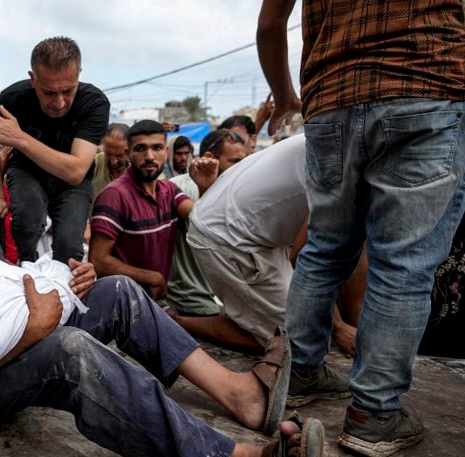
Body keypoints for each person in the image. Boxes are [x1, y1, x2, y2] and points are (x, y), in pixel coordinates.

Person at [0, 118, 324, 457]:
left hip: (15, 345)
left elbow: (4, 297)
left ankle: (239, 394)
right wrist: (36, 328)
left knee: (118, 290)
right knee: (71, 352)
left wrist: (65, 286)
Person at [258, 0, 465, 457]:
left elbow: (271, 23)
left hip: (331, 98)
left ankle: (298, 374)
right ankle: (374, 415)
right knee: (404, 263)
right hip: (426, 83)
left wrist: (283, 97)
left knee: (325, 246)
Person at [184, 135, 359, 363]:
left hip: (256, 233)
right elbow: (308, 260)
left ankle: (242, 316)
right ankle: (178, 323)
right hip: (229, 238)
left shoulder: (342, 131)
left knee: (303, 327)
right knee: (301, 340)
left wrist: (353, 327)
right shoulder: (351, 159)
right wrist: (338, 327)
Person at [0, 36, 109, 264]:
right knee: (27, 220)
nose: (59, 102)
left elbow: (75, 171)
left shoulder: (94, 103)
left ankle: (64, 290)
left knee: (69, 245)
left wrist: (20, 138)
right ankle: (25, 267)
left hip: (72, 183)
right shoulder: (12, 99)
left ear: (79, 74)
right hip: (27, 171)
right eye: (49, 93)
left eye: (68, 90)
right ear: (33, 79)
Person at [89, 121, 193, 300]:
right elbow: (98, 260)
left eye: (157, 148)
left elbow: (199, 217)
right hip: (123, 303)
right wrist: (152, 278)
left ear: (166, 152)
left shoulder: (169, 190)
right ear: (129, 154)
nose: (149, 156)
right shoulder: (115, 195)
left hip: (154, 300)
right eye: (140, 149)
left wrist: (206, 186)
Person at [166, 129, 247, 318]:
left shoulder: (236, 189)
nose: (242, 168)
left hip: (222, 294)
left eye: (245, 161)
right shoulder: (180, 187)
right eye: (235, 162)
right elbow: (207, 229)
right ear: (210, 158)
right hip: (193, 297)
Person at [93, 123, 130, 201]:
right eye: (108, 154)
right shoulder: (94, 163)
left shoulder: (139, 169)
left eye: (119, 155)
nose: (114, 161)